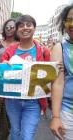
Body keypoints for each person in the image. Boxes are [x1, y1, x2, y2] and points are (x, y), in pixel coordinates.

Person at [1, 15, 50, 140]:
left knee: (27, 136)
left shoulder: (44, 51)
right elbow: (0, 74)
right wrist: (3, 66)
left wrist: (57, 69)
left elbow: (49, 77)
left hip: (33, 102)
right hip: (12, 100)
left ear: (34, 28)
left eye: (29, 25)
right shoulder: (10, 50)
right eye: (21, 25)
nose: (25, 28)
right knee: (15, 133)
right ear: (17, 30)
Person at [0, 18, 17, 140]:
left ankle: (4, 136)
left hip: (13, 85)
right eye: (7, 27)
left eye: (12, 27)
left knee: (8, 116)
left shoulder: (20, 44)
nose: (9, 29)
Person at [50, 4, 73, 140]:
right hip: (68, 114)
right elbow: (58, 84)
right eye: (69, 19)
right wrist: (56, 117)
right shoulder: (60, 48)